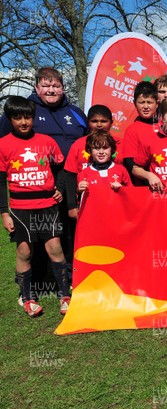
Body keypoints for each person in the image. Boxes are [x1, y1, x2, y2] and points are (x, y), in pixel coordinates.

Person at [0, 67, 87, 304]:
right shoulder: (23, 111)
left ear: (62, 87)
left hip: (67, 185)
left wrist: (65, 186)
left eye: (56, 85)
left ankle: (68, 282)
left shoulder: (77, 112)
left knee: (64, 235)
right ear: (37, 88)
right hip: (29, 192)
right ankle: (34, 285)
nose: (51, 90)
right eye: (46, 85)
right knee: (31, 243)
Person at [0, 96, 71, 316]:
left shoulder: (47, 141)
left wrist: (59, 187)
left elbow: (61, 167)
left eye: (27, 117)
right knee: (24, 251)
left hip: (47, 204)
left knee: (55, 249)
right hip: (21, 208)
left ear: (33, 117)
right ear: (10, 119)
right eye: (17, 117)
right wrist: (4, 212)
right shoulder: (3, 144)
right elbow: (0, 181)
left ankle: (64, 295)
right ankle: (28, 296)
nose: (23, 122)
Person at [64, 105, 122, 219]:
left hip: (116, 203)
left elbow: (128, 175)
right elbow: (70, 177)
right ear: (88, 122)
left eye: (103, 121)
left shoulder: (121, 143)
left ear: (111, 122)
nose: (99, 125)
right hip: (87, 205)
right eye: (94, 121)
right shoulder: (78, 145)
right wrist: (72, 206)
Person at [122, 81, 159, 182]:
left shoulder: (166, 127)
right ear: (135, 104)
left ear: (157, 103)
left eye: (149, 102)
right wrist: (148, 177)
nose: (146, 106)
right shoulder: (132, 130)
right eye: (142, 102)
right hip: (144, 186)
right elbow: (130, 163)